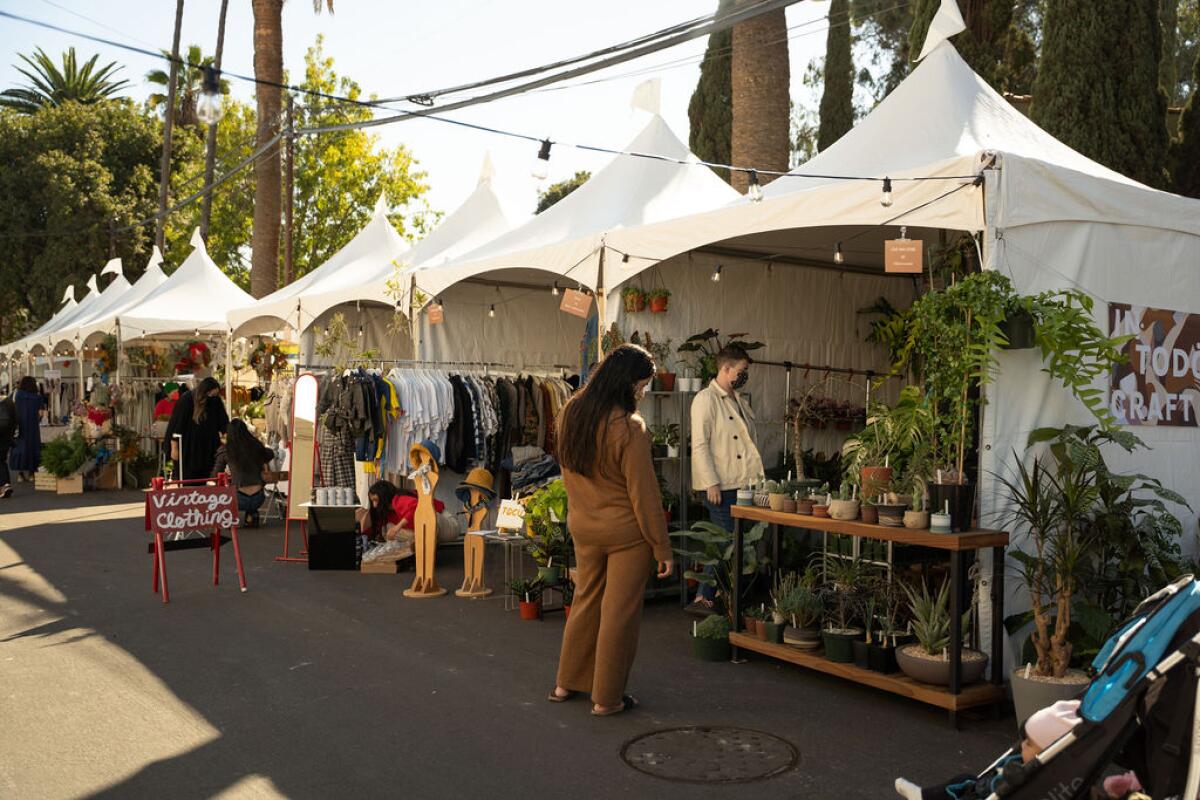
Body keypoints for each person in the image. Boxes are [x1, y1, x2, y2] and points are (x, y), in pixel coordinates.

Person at [549, 344, 673, 717]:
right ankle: (607, 698)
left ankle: (565, 683)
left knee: (585, 602)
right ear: (630, 383)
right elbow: (645, 496)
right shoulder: (629, 428)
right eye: (644, 385)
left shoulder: (571, 413)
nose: (643, 392)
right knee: (619, 614)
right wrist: (662, 548)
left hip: (583, 527)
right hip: (626, 535)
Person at [688, 345, 764, 612]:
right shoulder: (705, 400)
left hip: (743, 483)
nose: (744, 375)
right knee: (725, 542)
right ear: (726, 368)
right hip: (720, 486)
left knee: (737, 544)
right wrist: (710, 482)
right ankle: (703, 596)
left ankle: (721, 594)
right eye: (741, 371)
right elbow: (699, 445)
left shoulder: (738, 400)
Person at [894, 700, 1082, 799]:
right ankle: (924, 796)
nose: (1023, 745)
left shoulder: (1037, 780)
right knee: (965, 778)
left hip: (987, 794)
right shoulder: (1026, 762)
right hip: (980, 789)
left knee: (964, 784)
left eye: (1030, 744)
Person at [213, 419, 276, 527]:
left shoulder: (226, 450)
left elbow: (216, 474)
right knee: (252, 501)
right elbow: (270, 454)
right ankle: (251, 515)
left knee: (222, 491)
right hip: (259, 498)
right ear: (246, 431)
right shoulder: (256, 446)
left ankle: (229, 517)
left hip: (238, 499)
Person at [164, 377, 228, 480]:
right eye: (211, 394)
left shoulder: (215, 400)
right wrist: (174, 448)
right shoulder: (187, 399)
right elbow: (177, 425)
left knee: (206, 478)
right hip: (188, 448)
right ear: (205, 391)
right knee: (188, 479)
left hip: (208, 448)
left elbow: (223, 422)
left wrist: (230, 438)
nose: (213, 397)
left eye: (215, 394)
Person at [353, 479, 445, 546]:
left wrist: (397, 528)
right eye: (372, 501)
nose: (375, 505)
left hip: (442, 519)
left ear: (384, 496)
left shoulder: (398, 500)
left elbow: (416, 508)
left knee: (390, 529)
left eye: (376, 500)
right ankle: (422, 546)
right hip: (432, 524)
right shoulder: (387, 511)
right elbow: (377, 526)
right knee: (387, 529)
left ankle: (423, 545)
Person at [8, 376, 45, 482]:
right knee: (33, 447)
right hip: (33, 427)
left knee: (19, 447)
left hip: (19, 426)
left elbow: (9, 407)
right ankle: (31, 474)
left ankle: (20, 474)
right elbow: (41, 413)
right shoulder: (37, 396)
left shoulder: (17, 394)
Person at [0, 390, 16, 498]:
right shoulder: (9, 402)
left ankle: (4, 485)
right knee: (2, 460)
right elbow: (15, 420)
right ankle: (5, 484)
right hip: (6, 437)